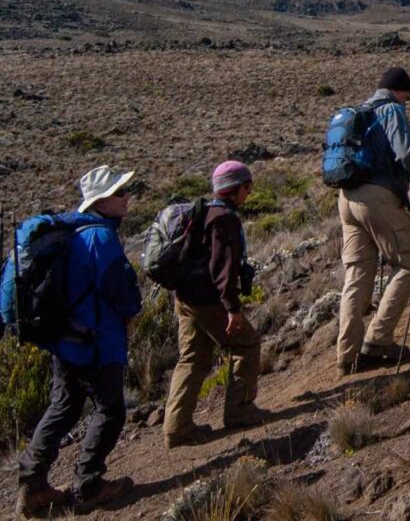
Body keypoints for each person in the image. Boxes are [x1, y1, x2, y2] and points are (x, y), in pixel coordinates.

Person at [15, 166, 141, 516]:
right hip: (95, 340)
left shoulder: (72, 231)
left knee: (64, 406)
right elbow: (120, 290)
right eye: (119, 192)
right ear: (101, 202)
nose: (126, 197)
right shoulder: (100, 236)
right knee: (111, 410)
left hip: (63, 338)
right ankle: (89, 485)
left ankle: (32, 484)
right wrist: (132, 310)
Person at [336, 67, 410, 376]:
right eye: (406, 97)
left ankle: (347, 356)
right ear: (400, 91)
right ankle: (378, 340)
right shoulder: (391, 110)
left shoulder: (359, 112)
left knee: (357, 275)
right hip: (377, 197)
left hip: (346, 198)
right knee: (407, 263)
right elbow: (406, 154)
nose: (406, 103)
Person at [164, 160, 268, 449]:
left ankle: (177, 428)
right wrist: (232, 309)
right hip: (207, 300)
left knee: (192, 358)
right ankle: (240, 411)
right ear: (236, 188)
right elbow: (223, 268)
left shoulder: (205, 212)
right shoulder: (224, 218)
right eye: (247, 187)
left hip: (185, 297)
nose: (249, 193)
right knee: (246, 344)